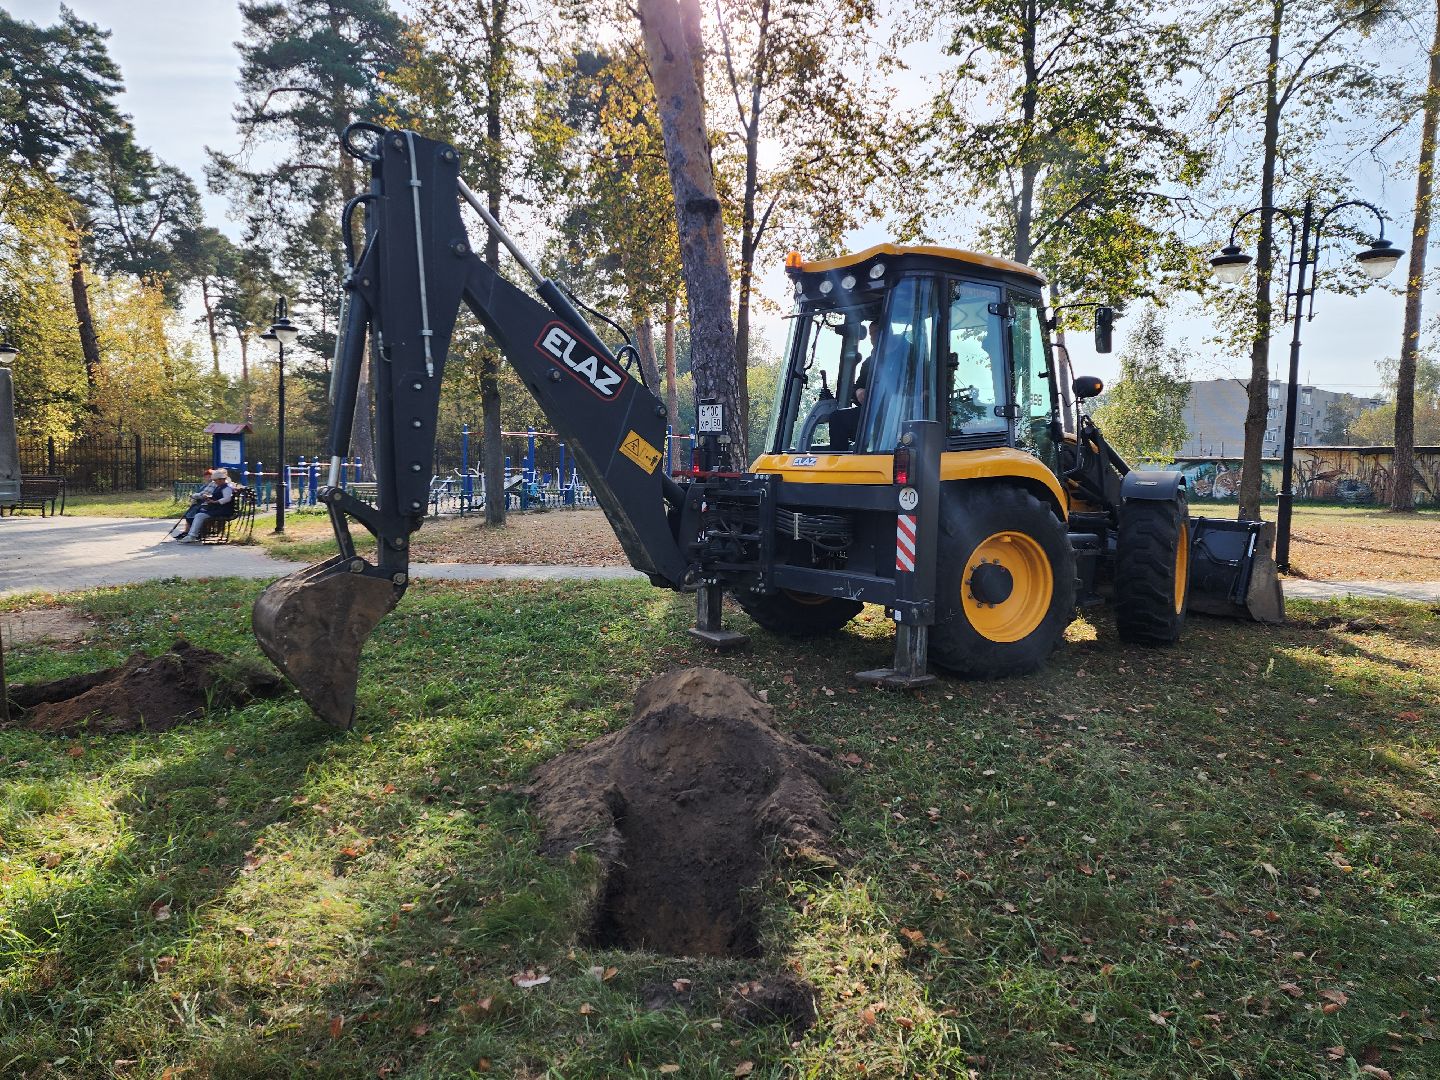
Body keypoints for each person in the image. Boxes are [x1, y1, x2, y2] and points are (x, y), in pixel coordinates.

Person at [176, 468, 236, 542]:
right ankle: (192, 534)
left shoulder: (226, 488)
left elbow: (227, 499)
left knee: (199, 515)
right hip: (218, 509)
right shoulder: (220, 487)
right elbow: (218, 496)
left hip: (223, 510)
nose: (214, 482)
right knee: (199, 513)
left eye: (215, 480)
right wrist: (210, 499)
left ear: (221, 479)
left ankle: (192, 535)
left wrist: (215, 502)